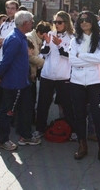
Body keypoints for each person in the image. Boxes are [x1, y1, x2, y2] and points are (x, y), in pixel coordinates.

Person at [69, 11, 100, 165]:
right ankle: (82, 145)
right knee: (79, 115)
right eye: (81, 20)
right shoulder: (74, 40)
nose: (84, 22)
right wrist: (89, 59)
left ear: (93, 21)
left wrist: (81, 55)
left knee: (99, 116)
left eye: (87, 19)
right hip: (77, 82)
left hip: (95, 82)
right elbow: (72, 61)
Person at [0, 10, 41, 151]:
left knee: (26, 109)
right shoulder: (14, 39)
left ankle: (26, 135)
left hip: (22, 83)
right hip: (13, 84)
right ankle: (2, 140)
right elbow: (5, 61)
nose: (33, 24)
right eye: (31, 22)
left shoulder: (21, 37)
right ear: (25, 23)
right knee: (8, 112)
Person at [33, 11, 76, 140]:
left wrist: (59, 45)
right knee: (43, 104)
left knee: (67, 105)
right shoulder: (50, 34)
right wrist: (47, 43)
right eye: (55, 22)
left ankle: (73, 130)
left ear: (66, 23)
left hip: (64, 76)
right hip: (48, 74)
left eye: (59, 22)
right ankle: (40, 128)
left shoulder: (72, 37)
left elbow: (68, 56)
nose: (56, 25)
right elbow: (44, 54)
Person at [26, 21, 52, 122]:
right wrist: (46, 63)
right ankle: (29, 118)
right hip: (29, 72)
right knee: (29, 97)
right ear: (40, 33)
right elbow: (30, 56)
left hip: (37, 71)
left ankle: (32, 117)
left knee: (33, 96)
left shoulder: (40, 39)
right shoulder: (29, 38)